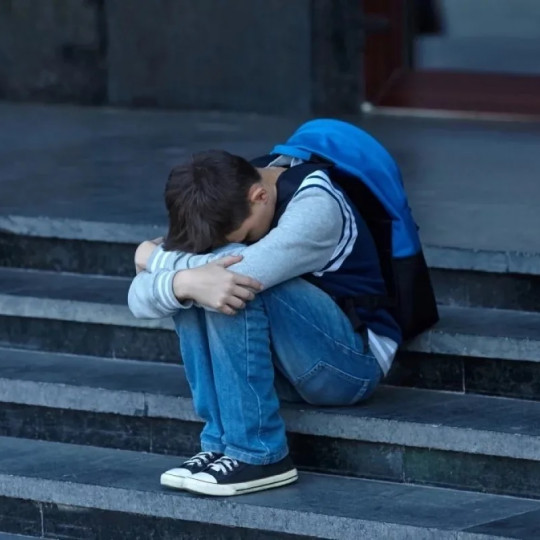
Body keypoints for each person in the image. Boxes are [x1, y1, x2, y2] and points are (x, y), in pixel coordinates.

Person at [128, 149, 401, 497]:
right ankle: (220, 445)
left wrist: (152, 258)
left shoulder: (316, 205)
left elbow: (234, 275)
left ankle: (259, 453)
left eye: (243, 237)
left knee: (232, 285)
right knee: (198, 285)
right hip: (283, 366)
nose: (242, 242)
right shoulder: (222, 197)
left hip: (351, 367)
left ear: (260, 196)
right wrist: (181, 282)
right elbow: (137, 300)